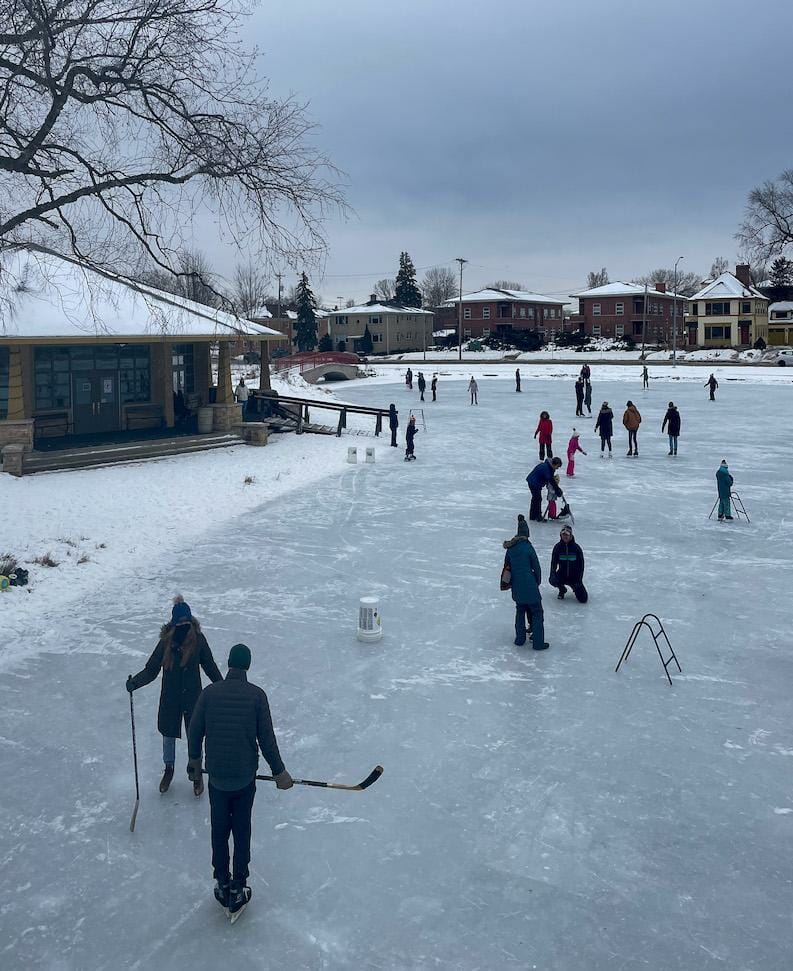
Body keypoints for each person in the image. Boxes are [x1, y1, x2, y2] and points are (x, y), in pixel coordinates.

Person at [187, 643, 293, 920]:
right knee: (241, 829)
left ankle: (222, 882)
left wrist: (195, 764)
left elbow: (195, 730)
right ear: (247, 665)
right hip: (244, 779)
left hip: (218, 778)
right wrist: (280, 773)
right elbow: (267, 740)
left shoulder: (209, 694)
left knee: (220, 830)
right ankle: (238, 885)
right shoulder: (257, 696)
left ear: (229, 663)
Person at [127, 596, 222, 796]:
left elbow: (209, 666)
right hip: (170, 697)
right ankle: (169, 769)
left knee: (194, 736)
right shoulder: (165, 643)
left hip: (193, 697)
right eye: (180, 623)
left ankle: (196, 774)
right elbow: (151, 669)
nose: (183, 626)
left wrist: (222, 686)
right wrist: (135, 682)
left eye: (186, 622)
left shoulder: (198, 640)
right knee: (168, 735)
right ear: (173, 623)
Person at [502, 515, 548, 650]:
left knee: (520, 610)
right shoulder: (528, 547)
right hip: (530, 585)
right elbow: (537, 567)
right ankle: (538, 643)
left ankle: (520, 639)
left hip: (517, 586)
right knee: (537, 612)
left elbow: (507, 567)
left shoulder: (511, 548)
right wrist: (537, 582)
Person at [549, 524, 588, 603]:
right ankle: (562, 589)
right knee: (552, 580)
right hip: (562, 575)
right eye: (563, 534)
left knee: (583, 599)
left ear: (570, 536)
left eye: (567, 535)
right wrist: (552, 574)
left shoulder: (576, 548)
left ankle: (575, 587)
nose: (565, 537)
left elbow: (581, 566)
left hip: (574, 578)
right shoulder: (557, 547)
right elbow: (553, 563)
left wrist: (579, 580)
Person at [526, 456, 563, 522]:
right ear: (555, 464)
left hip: (534, 482)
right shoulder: (547, 468)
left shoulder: (549, 466)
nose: (557, 468)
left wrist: (556, 488)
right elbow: (550, 479)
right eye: (557, 466)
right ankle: (538, 516)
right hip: (534, 483)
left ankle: (533, 516)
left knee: (535, 498)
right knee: (537, 499)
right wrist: (557, 489)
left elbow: (550, 479)